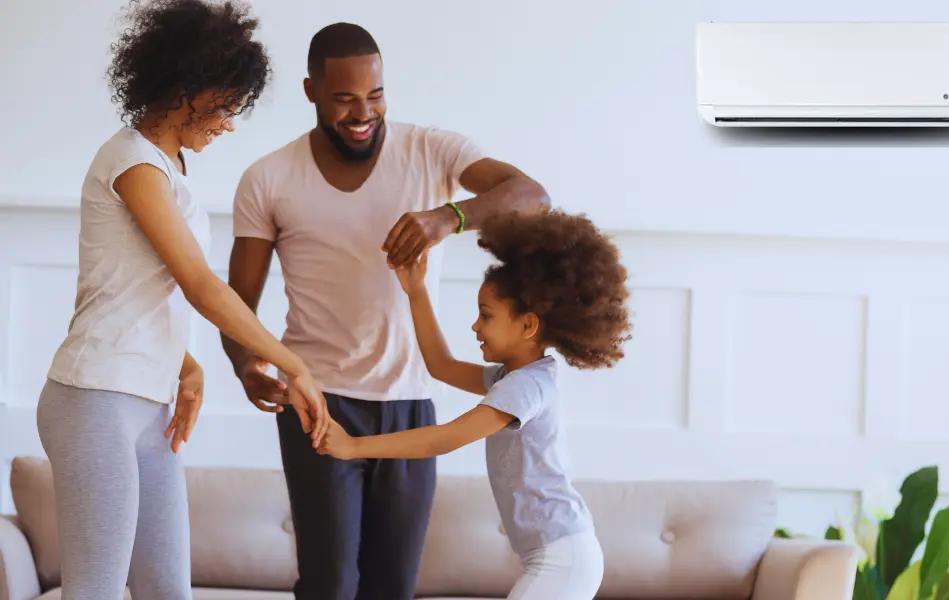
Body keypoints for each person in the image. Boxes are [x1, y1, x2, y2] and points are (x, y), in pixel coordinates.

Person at [221, 22, 549, 599]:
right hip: (316, 400)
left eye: (374, 96)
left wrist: (447, 216)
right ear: (311, 92)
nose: (362, 112)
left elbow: (532, 197)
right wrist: (246, 362)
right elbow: (236, 302)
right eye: (344, 98)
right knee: (328, 585)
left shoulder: (433, 150)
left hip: (410, 401)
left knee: (392, 588)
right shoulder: (268, 178)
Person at [38, 2, 329, 599]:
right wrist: (296, 364)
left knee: (168, 590)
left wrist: (186, 363)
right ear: (185, 86)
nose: (228, 122)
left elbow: (138, 286)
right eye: (225, 104)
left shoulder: (171, 165)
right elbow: (199, 284)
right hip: (95, 398)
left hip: (148, 403)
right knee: (95, 590)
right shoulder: (132, 163)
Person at [318, 210, 632, 600]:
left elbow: (443, 439)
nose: (475, 327)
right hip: (558, 553)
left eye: (486, 316)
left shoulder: (526, 388)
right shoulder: (513, 378)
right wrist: (416, 292)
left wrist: (352, 447)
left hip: (563, 557)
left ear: (528, 325)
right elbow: (441, 365)